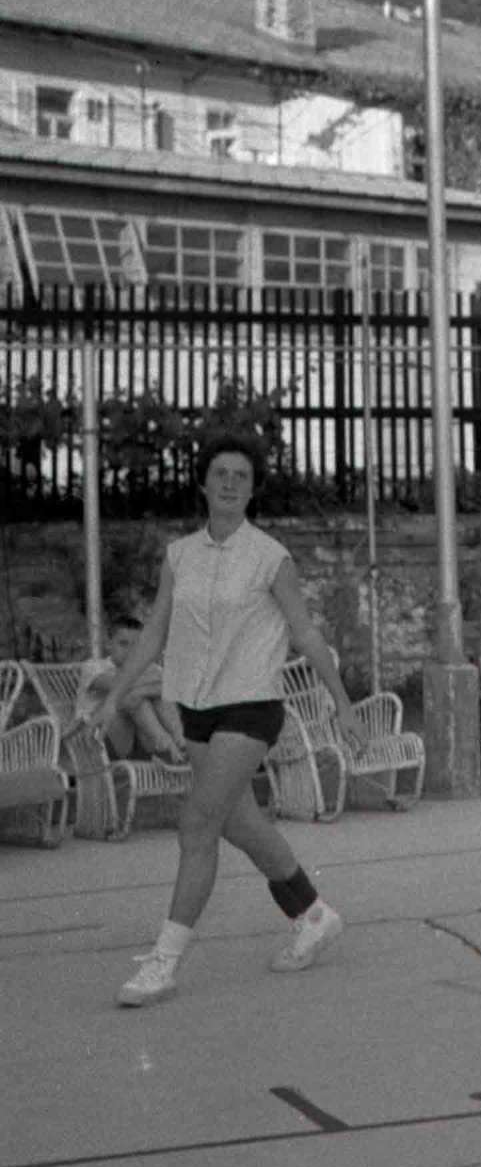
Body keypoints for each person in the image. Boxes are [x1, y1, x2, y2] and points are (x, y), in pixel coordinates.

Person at [97, 432, 361, 1008]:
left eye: (242, 476)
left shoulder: (270, 557)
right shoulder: (179, 556)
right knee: (239, 824)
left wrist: (342, 702)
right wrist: (113, 697)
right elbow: (155, 632)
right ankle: (313, 914)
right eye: (221, 473)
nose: (231, 483)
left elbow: (305, 632)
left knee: (197, 823)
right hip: (196, 708)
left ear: (252, 489)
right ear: (203, 482)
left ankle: (163, 963)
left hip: (251, 706)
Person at [79, 614, 180, 763]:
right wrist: (146, 689)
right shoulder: (93, 667)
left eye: (136, 646)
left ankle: (179, 741)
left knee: (158, 697)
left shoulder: (151, 669)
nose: (131, 651)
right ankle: (165, 743)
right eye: (123, 644)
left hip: (141, 738)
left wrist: (141, 691)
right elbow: (119, 685)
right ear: (109, 644)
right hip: (101, 739)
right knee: (131, 697)